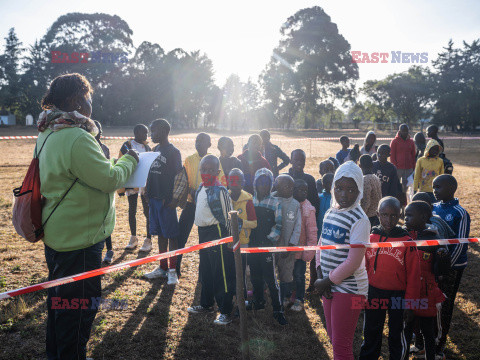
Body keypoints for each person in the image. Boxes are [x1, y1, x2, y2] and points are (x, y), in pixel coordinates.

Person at [38, 73, 138, 359]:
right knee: (78, 314)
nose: (90, 100)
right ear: (74, 100)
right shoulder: (76, 137)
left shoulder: (48, 131)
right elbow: (109, 179)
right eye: (87, 94)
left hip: (58, 234)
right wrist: (129, 159)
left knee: (59, 306)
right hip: (80, 241)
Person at [314, 161, 371, 359]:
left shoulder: (360, 219)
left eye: (350, 189)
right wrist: (321, 275)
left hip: (350, 289)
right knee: (333, 337)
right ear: (332, 188)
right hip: (329, 284)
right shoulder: (330, 212)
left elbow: (353, 263)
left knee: (341, 346)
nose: (344, 195)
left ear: (359, 191)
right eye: (339, 188)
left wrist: (326, 280)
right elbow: (321, 247)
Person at [359, 197, 421, 360]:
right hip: (374, 291)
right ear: (378, 214)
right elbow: (364, 267)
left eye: (394, 215)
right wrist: (363, 293)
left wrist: (410, 303)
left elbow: (414, 274)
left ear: (399, 215)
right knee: (371, 329)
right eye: (385, 215)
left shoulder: (407, 241)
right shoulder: (370, 238)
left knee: (398, 332)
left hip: (398, 294)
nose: (389, 219)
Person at [187, 155, 235, 325]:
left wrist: (230, 238)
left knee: (220, 272)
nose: (206, 173)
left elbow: (230, 217)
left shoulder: (221, 191)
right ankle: (206, 304)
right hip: (203, 233)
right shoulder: (200, 188)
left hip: (218, 233)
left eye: (210, 170)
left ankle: (225, 311)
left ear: (218, 171)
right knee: (206, 269)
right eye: (203, 169)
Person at [404, 201, 450, 360]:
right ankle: (408, 352)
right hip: (407, 293)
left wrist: (442, 257)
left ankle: (431, 355)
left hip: (426, 294)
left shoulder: (433, 238)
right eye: (405, 215)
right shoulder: (404, 235)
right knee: (407, 328)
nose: (405, 219)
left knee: (428, 330)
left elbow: (439, 271)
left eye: (409, 215)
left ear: (423, 217)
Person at [432, 174, 471, 358]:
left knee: (445, 305)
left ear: (451, 189)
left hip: (452, 269)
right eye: (433, 187)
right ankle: (427, 340)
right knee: (431, 303)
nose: (435, 190)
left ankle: (439, 346)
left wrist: (445, 268)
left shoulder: (460, 213)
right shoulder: (432, 208)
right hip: (433, 267)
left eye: (438, 187)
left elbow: (460, 245)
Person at [176, 133, 225, 276]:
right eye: (197, 141)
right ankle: (176, 266)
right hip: (191, 203)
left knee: (205, 239)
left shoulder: (214, 160)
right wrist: (191, 191)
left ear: (209, 144)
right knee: (181, 235)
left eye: (202, 141)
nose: (198, 144)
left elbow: (220, 181)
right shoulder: (189, 160)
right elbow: (185, 180)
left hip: (208, 205)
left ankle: (204, 273)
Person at [143, 119, 182, 285]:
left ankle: (172, 271)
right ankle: (162, 267)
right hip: (154, 199)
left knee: (171, 235)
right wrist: (147, 193)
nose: (151, 135)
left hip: (167, 202)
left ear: (164, 131)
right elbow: (149, 174)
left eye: (154, 131)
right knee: (159, 234)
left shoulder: (173, 152)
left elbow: (178, 178)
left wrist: (173, 198)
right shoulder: (154, 150)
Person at [247, 168, 287, 325]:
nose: (263, 186)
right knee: (255, 275)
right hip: (252, 245)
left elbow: (278, 225)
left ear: (271, 185)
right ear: (255, 184)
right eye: (260, 183)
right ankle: (259, 302)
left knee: (270, 279)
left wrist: (269, 240)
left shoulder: (275, 203)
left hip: (267, 246)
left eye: (266, 183)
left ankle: (278, 310)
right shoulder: (250, 201)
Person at [121, 124, 152, 252]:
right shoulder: (127, 145)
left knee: (147, 211)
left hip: (144, 183)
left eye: (147, 133)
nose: (146, 135)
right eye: (144, 133)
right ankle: (133, 238)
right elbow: (122, 159)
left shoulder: (147, 147)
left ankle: (148, 240)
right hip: (132, 182)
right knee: (132, 210)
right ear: (136, 133)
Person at [273, 174, 302, 308]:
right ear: (277, 186)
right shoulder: (271, 199)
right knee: (271, 272)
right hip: (271, 247)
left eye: (292, 187)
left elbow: (297, 227)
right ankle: (272, 295)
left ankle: (284, 297)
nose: (290, 189)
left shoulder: (295, 204)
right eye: (286, 186)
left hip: (287, 247)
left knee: (286, 273)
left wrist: (290, 246)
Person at [228, 168, 257, 297]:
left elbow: (254, 223)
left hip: (243, 242)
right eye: (232, 181)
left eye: (237, 181)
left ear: (243, 182)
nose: (234, 184)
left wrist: (240, 222)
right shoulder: (225, 197)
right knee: (231, 270)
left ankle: (243, 295)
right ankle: (231, 293)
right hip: (228, 242)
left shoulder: (247, 200)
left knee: (241, 271)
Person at [289, 179, 317, 311]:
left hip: (301, 253)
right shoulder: (289, 204)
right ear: (293, 190)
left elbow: (312, 232)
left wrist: (309, 252)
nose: (304, 193)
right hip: (289, 251)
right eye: (300, 190)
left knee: (299, 276)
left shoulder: (308, 209)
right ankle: (289, 296)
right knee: (289, 275)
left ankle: (299, 299)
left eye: (306, 190)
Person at [93, 120, 115, 264]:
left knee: (106, 222)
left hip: (104, 189)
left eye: (100, 129)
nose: (99, 132)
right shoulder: (89, 147)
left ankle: (110, 249)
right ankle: (99, 251)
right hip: (94, 189)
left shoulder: (104, 148)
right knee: (97, 224)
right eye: (96, 130)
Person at [288, 149, 320, 214]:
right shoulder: (285, 179)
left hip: (306, 216)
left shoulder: (310, 179)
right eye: (296, 160)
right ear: (290, 161)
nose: (299, 162)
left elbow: (314, 202)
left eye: (302, 160)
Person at [390, 124, 416, 196]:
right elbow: (392, 155)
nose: (405, 133)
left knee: (405, 187)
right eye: (403, 131)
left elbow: (413, 155)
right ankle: (397, 201)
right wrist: (394, 167)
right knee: (396, 186)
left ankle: (404, 204)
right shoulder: (394, 141)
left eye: (406, 131)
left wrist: (413, 167)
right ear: (399, 131)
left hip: (408, 168)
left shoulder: (411, 141)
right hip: (398, 168)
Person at [359, 155, 382, 227]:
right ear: (372, 165)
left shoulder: (365, 180)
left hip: (369, 217)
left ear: (360, 166)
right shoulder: (375, 177)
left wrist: (360, 217)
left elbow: (366, 202)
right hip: (377, 214)